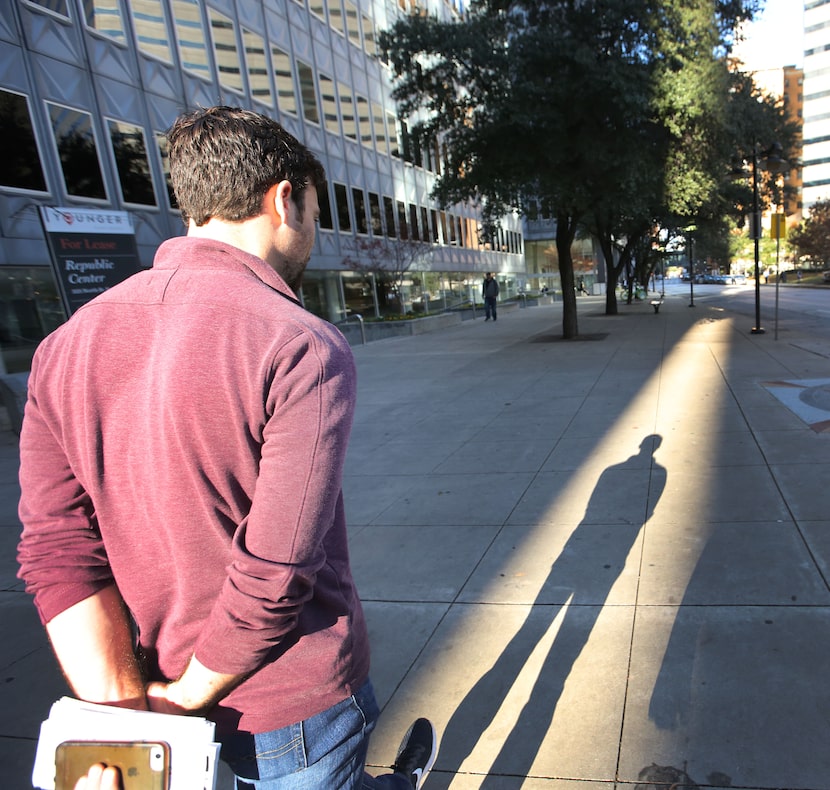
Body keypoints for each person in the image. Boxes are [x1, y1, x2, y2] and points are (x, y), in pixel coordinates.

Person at [17, 106, 437, 789]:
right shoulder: (301, 343)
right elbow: (275, 573)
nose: (312, 230)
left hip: (147, 691)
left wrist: (129, 712)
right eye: (314, 210)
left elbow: (56, 550)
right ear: (284, 199)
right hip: (292, 706)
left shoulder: (62, 347)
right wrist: (180, 700)